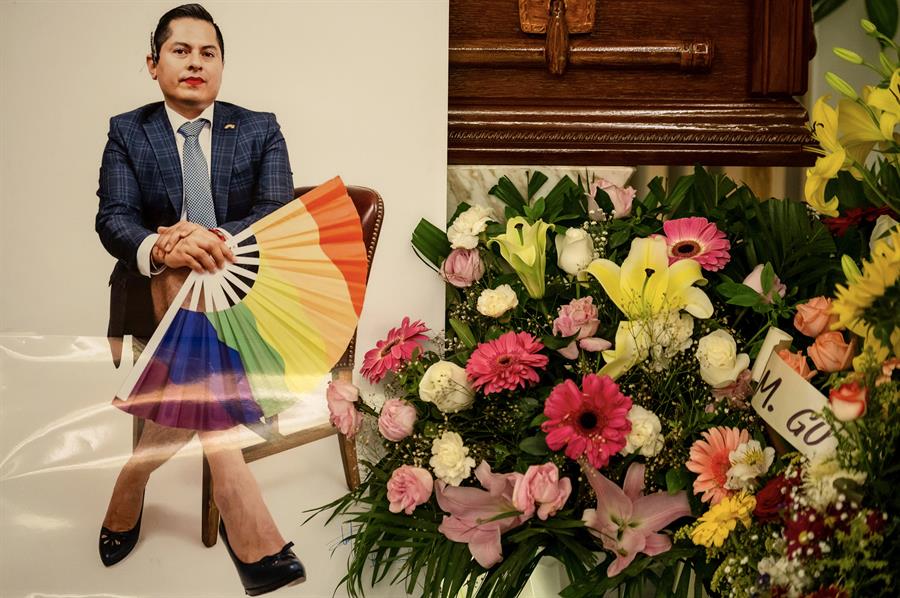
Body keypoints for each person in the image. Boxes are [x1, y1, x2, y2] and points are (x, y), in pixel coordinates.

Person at [95, 4, 305, 595]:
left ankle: (132, 480)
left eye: (207, 52)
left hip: (246, 285)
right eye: (180, 51)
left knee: (198, 281)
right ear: (153, 63)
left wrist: (206, 239)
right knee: (182, 281)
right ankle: (240, 501)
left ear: (221, 65)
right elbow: (115, 218)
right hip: (156, 285)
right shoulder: (128, 130)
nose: (195, 63)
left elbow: (275, 211)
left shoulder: (259, 127)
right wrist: (166, 247)